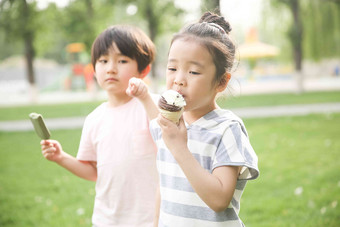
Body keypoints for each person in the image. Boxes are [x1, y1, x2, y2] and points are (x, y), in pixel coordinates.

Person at [130, 12, 259, 226]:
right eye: (172, 68)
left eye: (193, 72)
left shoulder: (227, 129)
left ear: (221, 82)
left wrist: (180, 148)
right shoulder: (169, 126)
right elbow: (164, 185)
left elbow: (219, 200)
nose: (179, 80)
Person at [40, 25, 159, 226]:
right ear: (94, 69)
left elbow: (171, 142)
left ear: (144, 69)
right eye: (103, 61)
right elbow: (94, 171)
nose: (111, 68)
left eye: (122, 60)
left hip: (150, 218)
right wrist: (61, 158)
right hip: (107, 219)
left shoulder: (151, 106)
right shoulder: (94, 119)